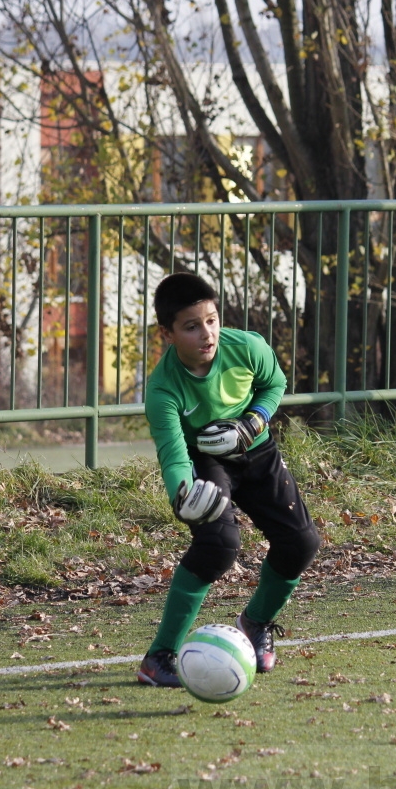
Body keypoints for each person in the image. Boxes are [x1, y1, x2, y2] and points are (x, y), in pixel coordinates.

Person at [136, 273, 322, 687]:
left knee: (301, 542)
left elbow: (274, 384)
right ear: (167, 334)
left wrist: (253, 421)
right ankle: (158, 656)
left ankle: (256, 624)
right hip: (206, 462)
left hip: (256, 448)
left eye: (212, 320)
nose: (207, 334)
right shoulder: (163, 389)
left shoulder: (248, 346)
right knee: (218, 546)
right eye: (191, 326)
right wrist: (182, 494)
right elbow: (173, 453)